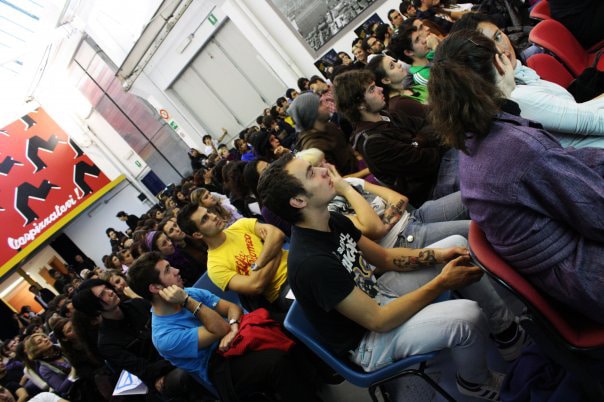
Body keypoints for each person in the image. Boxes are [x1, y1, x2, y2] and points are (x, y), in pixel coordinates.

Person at [257, 153, 528, 401]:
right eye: (311, 173)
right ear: (299, 201)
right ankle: (474, 381)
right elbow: (379, 320)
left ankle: (506, 333)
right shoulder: (311, 263)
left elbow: (385, 258)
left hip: (377, 296)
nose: (324, 170)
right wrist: (442, 282)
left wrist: (439, 256)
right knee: (467, 317)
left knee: (456, 245)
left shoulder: (331, 220)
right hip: (368, 340)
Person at [427, 29, 604, 323]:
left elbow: (572, 168)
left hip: (566, 275)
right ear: (499, 63)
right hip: (588, 275)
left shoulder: (477, 137)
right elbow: (597, 213)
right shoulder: (517, 147)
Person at [127, 252, 323, 402]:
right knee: (275, 362)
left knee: (284, 324)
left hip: (236, 335)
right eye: (168, 270)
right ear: (155, 288)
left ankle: (318, 378)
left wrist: (234, 325)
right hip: (219, 366)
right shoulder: (164, 336)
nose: (177, 270)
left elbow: (232, 308)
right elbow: (220, 330)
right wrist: (188, 302)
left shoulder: (189, 292)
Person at [451, 13, 604, 148]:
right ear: (475, 62)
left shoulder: (519, 74)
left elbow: (580, 112)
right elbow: (595, 122)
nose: (501, 49)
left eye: (498, 36)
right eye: (488, 48)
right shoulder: (515, 96)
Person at [333, 69, 457, 207]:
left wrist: (417, 142)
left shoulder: (385, 115)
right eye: (372, 89)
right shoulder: (372, 142)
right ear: (360, 105)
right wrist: (421, 141)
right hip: (431, 189)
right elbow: (424, 162)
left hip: (439, 165)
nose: (380, 89)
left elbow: (428, 125)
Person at [72, 279, 208, 401]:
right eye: (102, 294)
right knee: (187, 372)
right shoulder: (107, 343)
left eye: (107, 288)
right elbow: (143, 368)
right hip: (163, 373)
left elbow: (172, 324)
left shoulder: (137, 304)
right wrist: (176, 358)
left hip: (178, 351)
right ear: (95, 309)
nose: (110, 292)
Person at [177, 203, 291, 314]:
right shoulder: (215, 267)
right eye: (205, 219)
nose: (213, 216)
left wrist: (259, 264)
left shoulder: (241, 225)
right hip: (282, 289)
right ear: (198, 235)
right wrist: (275, 250)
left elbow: (277, 234)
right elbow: (256, 286)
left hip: (294, 262)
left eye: (209, 212)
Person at [289, 92, 358, 176]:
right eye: (320, 104)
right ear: (311, 113)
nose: (327, 106)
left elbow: (349, 151)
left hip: (358, 167)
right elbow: (338, 179)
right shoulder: (315, 148)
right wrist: (367, 170)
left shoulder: (329, 126)